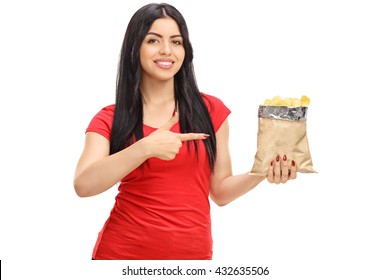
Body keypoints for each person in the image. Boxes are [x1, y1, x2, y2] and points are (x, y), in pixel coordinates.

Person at [73, 2, 297, 260]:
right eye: (153, 40)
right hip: (121, 257)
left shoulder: (211, 110)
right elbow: (83, 185)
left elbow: (221, 193)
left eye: (176, 42)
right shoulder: (110, 118)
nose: (166, 50)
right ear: (135, 48)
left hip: (192, 260)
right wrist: (144, 148)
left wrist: (261, 171)